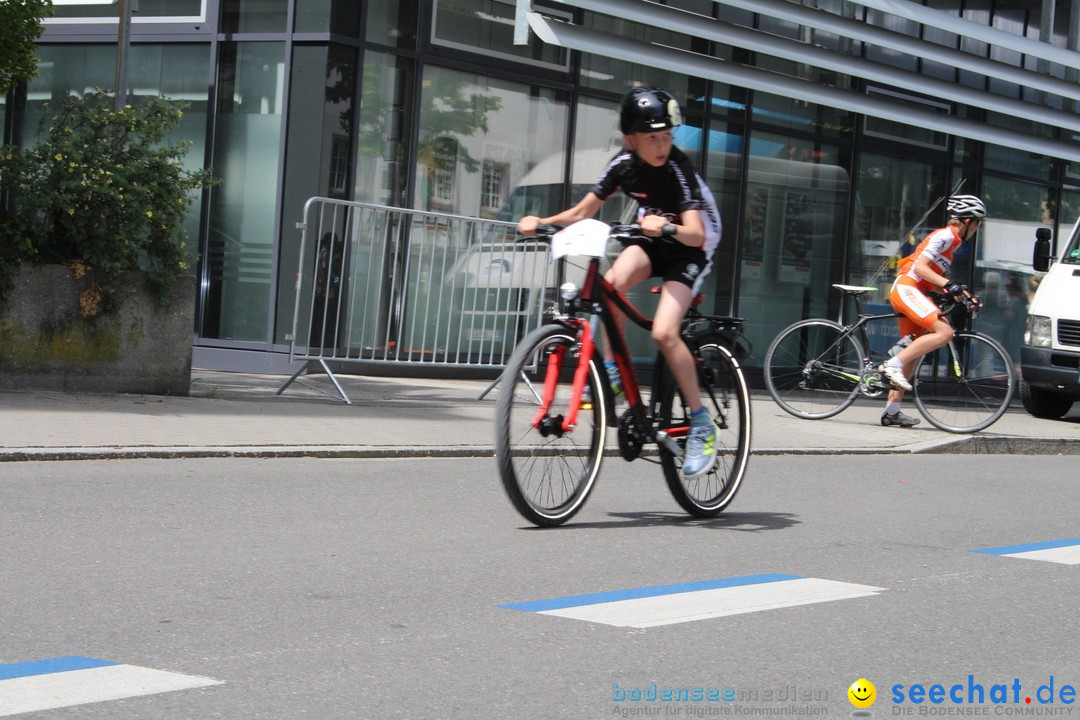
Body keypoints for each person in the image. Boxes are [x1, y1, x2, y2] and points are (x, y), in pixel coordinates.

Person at [517, 85, 723, 478]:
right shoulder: (622, 164)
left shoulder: (679, 169)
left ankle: (701, 424)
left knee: (664, 332)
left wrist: (665, 225)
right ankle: (612, 375)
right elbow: (582, 210)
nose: (662, 145)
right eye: (652, 138)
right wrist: (540, 222)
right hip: (654, 237)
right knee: (608, 286)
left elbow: (696, 234)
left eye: (666, 136)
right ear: (630, 140)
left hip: (691, 247)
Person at [878, 194, 986, 427]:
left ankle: (892, 411)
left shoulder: (953, 242)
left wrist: (965, 296)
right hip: (907, 287)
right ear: (968, 220)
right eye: (978, 222)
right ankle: (890, 365)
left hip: (915, 289)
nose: (978, 228)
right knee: (945, 333)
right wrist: (948, 285)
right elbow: (920, 268)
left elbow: (936, 280)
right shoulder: (944, 236)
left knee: (913, 350)